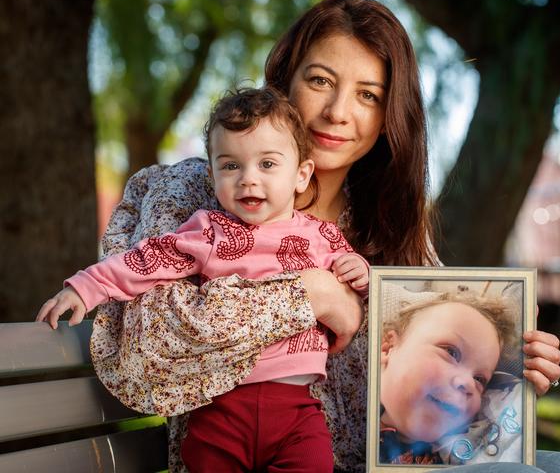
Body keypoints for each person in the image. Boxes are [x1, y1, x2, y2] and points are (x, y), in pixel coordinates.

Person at [43, 0, 560, 473]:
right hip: (236, 453)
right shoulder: (197, 190)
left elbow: (436, 368)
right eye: (320, 80)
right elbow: (146, 350)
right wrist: (309, 296)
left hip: (389, 462)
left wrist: (510, 371)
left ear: (389, 114)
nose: (338, 112)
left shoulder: (387, 222)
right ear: (284, 81)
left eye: (368, 95)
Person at [36, 87, 369, 472]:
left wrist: (360, 272)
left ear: (301, 174)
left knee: (314, 463)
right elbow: (147, 261)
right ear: (212, 176)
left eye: (267, 164)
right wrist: (85, 286)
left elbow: (356, 294)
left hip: (298, 410)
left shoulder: (323, 237)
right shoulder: (211, 232)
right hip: (222, 407)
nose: (247, 179)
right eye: (230, 166)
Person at [379, 292, 518, 465]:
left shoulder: (467, 450)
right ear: (388, 348)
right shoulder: (348, 427)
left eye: (479, 379)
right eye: (451, 352)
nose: (468, 383)